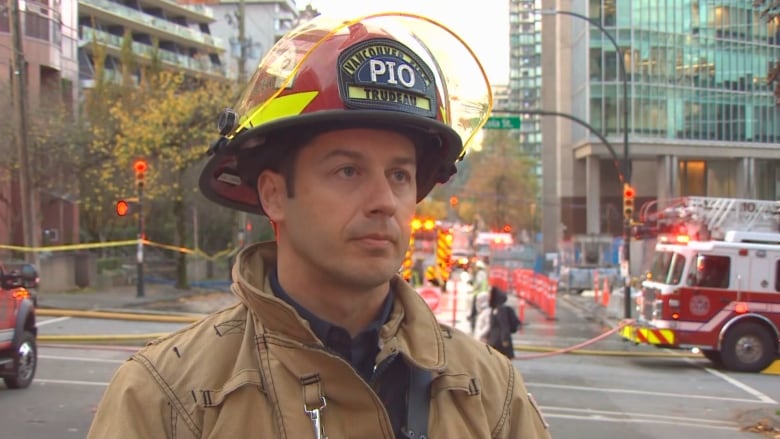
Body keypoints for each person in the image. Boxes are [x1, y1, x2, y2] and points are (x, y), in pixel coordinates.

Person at [87, 12, 550, 439]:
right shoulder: (164, 397)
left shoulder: (492, 395)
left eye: (400, 175)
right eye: (348, 171)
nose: (384, 202)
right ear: (273, 195)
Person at [486, 286, 522, 359]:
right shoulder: (494, 309)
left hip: (499, 343)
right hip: (495, 341)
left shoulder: (500, 309)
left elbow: (504, 325)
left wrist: (504, 339)